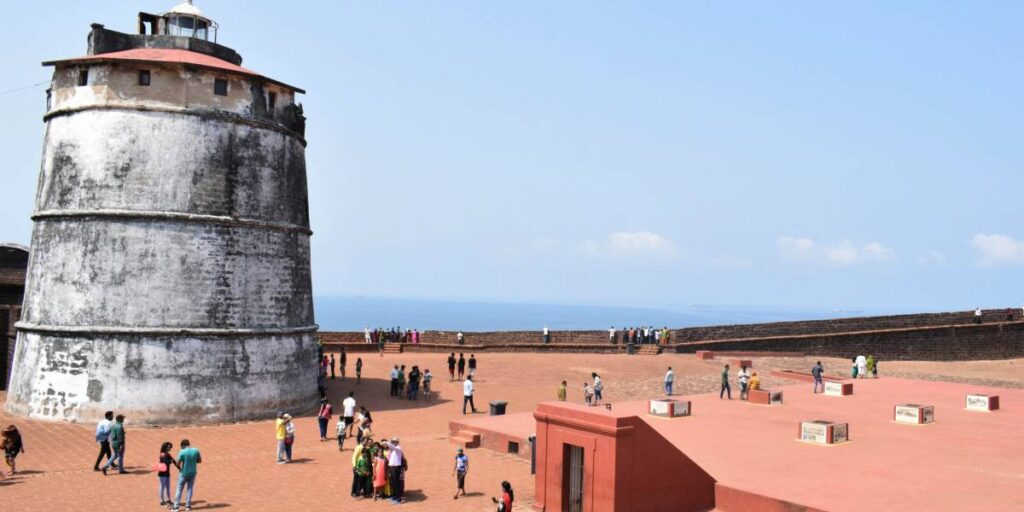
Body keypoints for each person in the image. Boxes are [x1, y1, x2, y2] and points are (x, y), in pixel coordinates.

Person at [171, 439, 201, 512]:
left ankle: (176, 507)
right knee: (190, 489)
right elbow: (199, 461)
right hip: (193, 473)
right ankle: (188, 506)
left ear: (182, 445)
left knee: (179, 489)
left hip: (184, 473)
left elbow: (178, 464)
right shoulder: (196, 450)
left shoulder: (182, 452)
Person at [383, 436, 406, 503]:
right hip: (392, 468)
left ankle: (398, 498)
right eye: (392, 441)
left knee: (396, 483)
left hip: (396, 468)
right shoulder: (393, 450)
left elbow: (391, 446)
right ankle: (395, 496)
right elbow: (390, 447)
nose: (392, 443)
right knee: (393, 482)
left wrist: (387, 442)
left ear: (397, 442)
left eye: (393, 441)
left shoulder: (398, 448)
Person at [157, 441, 178, 507]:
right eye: (169, 447)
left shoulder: (168, 454)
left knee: (168, 487)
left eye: (170, 447)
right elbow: (165, 462)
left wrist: (180, 468)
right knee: (162, 487)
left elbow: (174, 461)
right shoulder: (162, 454)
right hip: (162, 474)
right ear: (165, 447)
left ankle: (168, 500)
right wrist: (170, 461)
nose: (170, 448)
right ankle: (161, 501)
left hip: (167, 473)